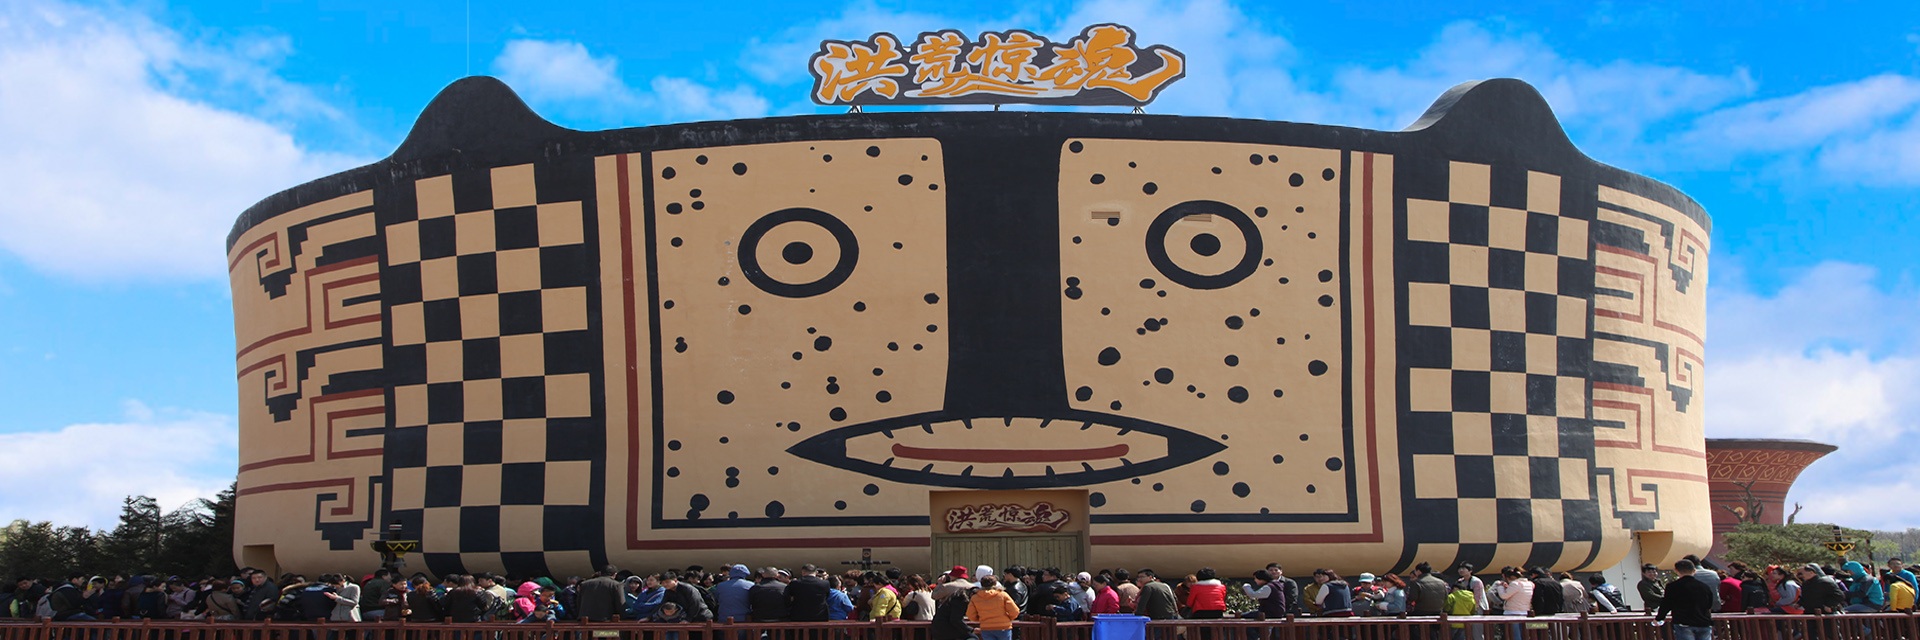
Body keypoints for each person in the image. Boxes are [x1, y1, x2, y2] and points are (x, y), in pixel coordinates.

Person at [1653, 559, 1715, 640]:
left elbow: (1666, 604)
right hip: (1703, 622)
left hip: (1683, 622)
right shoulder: (1704, 587)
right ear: (1694, 570)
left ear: (1676, 571)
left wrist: (1659, 618)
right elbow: (1709, 604)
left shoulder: (1673, 587)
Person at [968, 575, 1020, 640]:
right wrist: (1008, 618)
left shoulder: (975, 598)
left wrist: (981, 619)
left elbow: (970, 615)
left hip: (986, 627)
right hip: (1003, 627)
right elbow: (1015, 611)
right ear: (995, 583)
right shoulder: (1002, 595)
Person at [1490, 568, 1532, 640]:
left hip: (1512, 612)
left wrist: (1500, 587)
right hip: (1524, 612)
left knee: (1514, 635)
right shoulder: (1529, 584)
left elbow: (1504, 596)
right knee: (1522, 634)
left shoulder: (1515, 584)